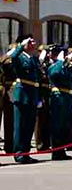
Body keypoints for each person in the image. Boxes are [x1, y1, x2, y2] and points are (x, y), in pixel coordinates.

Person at [10, 35, 40, 164]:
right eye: (31, 41)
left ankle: (26, 152)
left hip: (32, 94)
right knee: (20, 126)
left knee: (29, 126)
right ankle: (19, 153)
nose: (33, 43)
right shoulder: (20, 57)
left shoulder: (33, 58)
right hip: (22, 94)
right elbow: (12, 57)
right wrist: (21, 46)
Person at [48, 47, 72, 161]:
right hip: (58, 97)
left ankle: (62, 150)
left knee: (64, 125)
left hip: (66, 97)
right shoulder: (54, 66)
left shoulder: (64, 66)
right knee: (57, 125)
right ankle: (56, 152)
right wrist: (59, 62)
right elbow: (54, 73)